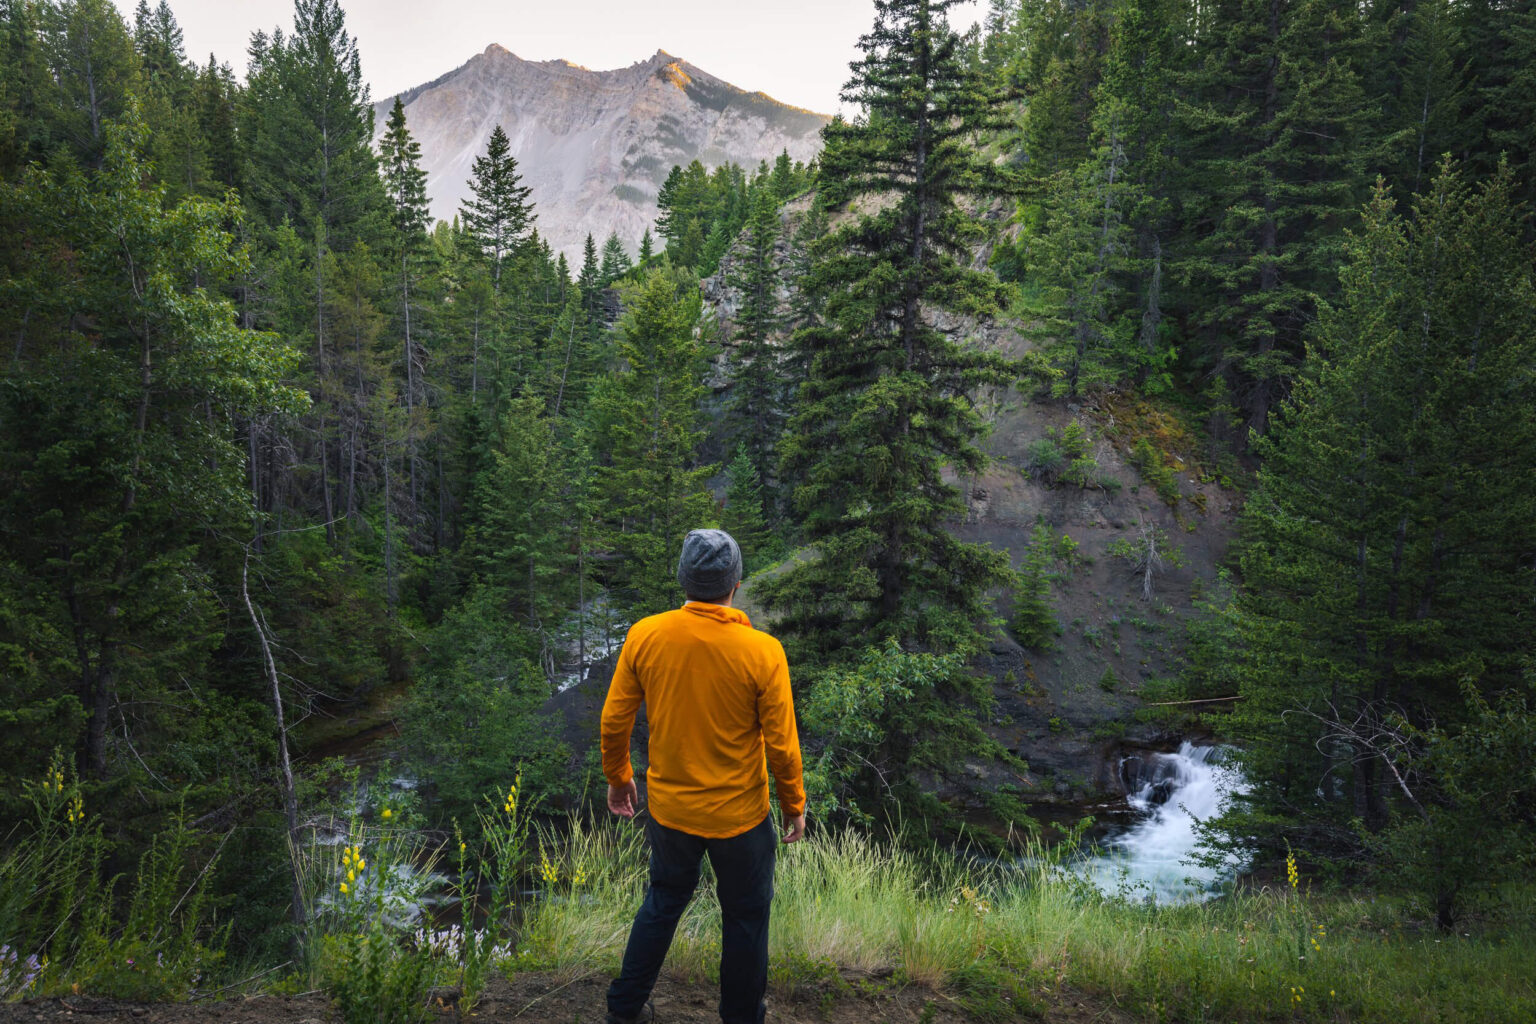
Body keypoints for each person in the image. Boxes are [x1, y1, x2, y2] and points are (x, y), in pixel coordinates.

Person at [600, 528, 806, 1024]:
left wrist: (620, 776)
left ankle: (623, 1010)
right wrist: (793, 805)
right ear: (735, 583)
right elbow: (782, 745)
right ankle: (740, 1017)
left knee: (663, 901)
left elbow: (614, 720)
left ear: (683, 580)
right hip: (741, 818)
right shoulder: (763, 651)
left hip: (671, 813)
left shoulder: (646, 634)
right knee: (746, 919)